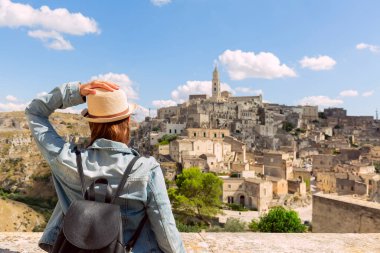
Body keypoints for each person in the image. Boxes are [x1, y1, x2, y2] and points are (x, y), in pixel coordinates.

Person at [25, 80, 186, 253]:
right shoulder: (146, 168)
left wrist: (76, 92)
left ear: (91, 123)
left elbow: (35, 112)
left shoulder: (66, 159)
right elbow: (165, 229)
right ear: (128, 121)